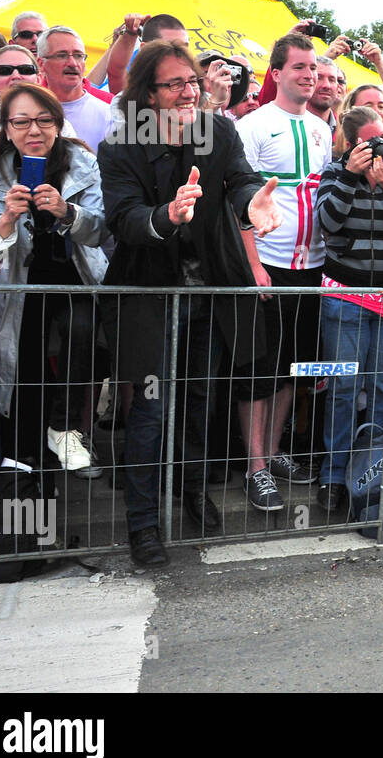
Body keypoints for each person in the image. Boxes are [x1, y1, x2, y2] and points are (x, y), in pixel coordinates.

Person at [100, 40, 282, 566]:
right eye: (174, 83)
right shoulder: (121, 143)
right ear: (147, 94)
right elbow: (124, 217)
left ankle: (193, 491)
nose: (188, 92)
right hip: (148, 292)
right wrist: (168, 217)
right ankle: (143, 525)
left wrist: (254, 202)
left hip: (210, 291)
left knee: (202, 399)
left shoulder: (218, 128)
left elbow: (242, 182)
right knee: (151, 411)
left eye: (193, 82)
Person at [0, 83, 107, 478]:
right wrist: (6, 220)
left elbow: (101, 231)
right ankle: (29, 458)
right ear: (6, 129)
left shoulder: (81, 161)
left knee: (81, 334)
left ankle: (64, 429)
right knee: (24, 362)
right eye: (22, 122)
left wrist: (67, 212)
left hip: (75, 275)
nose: (34, 130)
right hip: (21, 281)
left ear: (58, 122)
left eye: (44, 120)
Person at [234, 33, 334, 507]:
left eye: (313, 68)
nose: (309, 75)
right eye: (299, 67)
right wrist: (253, 265)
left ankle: (273, 452)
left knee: (294, 368)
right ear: (276, 73)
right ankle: (255, 467)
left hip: (312, 267)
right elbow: (240, 201)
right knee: (259, 370)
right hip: (268, 265)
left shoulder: (322, 129)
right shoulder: (251, 125)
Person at [314, 105, 383, 512]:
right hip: (345, 293)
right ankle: (334, 475)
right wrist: (348, 177)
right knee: (342, 389)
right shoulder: (333, 171)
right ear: (351, 142)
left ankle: (377, 471)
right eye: (371, 142)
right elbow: (327, 223)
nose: (381, 148)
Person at [36, 28, 114, 150]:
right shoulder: (27, 111)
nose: (73, 63)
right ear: (41, 64)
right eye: (62, 55)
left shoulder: (109, 113)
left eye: (78, 56)